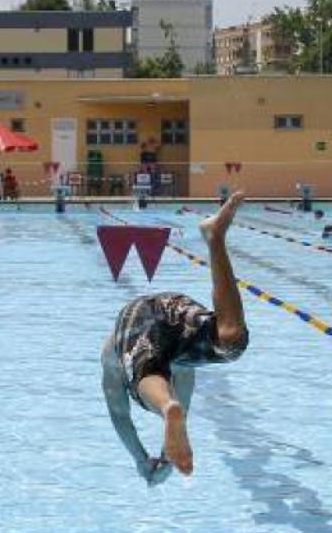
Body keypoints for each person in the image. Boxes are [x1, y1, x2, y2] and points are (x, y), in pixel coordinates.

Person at [101, 192, 249, 485]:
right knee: (230, 343)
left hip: (139, 315)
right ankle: (214, 237)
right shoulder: (182, 367)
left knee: (148, 376)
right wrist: (164, 457)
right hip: (173, 306)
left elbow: (120, 416)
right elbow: (176, 421)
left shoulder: (112, 360)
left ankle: (214, 235)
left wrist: (142, 460)